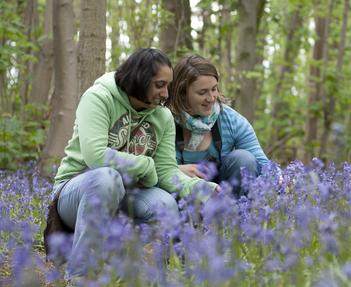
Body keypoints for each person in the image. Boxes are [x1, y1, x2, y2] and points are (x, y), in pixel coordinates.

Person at [51, 48, 218, 283]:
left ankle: (131, 271)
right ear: (139, 78)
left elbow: (166, 171)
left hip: (127, 196)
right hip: (77, 194)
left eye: (168, 86)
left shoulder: (162, 117)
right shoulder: (99, 97)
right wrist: (145, 166)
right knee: (107, 178)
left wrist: (198, 188)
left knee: (165, 205)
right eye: (159, 85)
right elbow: (96, 156)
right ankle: (80, 276)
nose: (165, 93)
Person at [165, 54, 275, 199]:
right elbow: (149, 169)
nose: (211, 98)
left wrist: (282, 179)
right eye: (202, 92)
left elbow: (261, 163)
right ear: (182, 94)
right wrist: (175, 171)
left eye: (214, 89)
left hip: (223, 196)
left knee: (244, 159)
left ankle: (234, 218)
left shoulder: (231, 120)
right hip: (181, 197)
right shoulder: (165, 120)